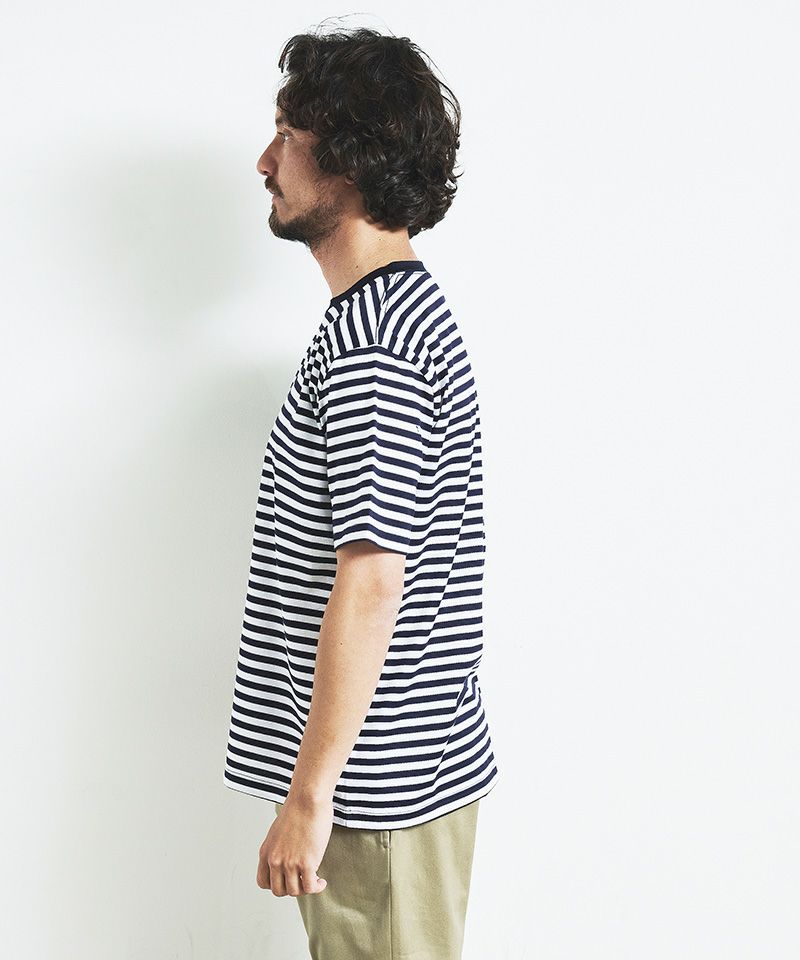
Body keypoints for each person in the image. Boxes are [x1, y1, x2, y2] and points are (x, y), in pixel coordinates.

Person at [222, 23, 500, 960]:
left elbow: (376, 578)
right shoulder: (391, 318)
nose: (265, 161)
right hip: (391, 780)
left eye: (287, 137)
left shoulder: (374, 344)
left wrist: (309, 798)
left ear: (348, 160)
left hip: (375, 798)